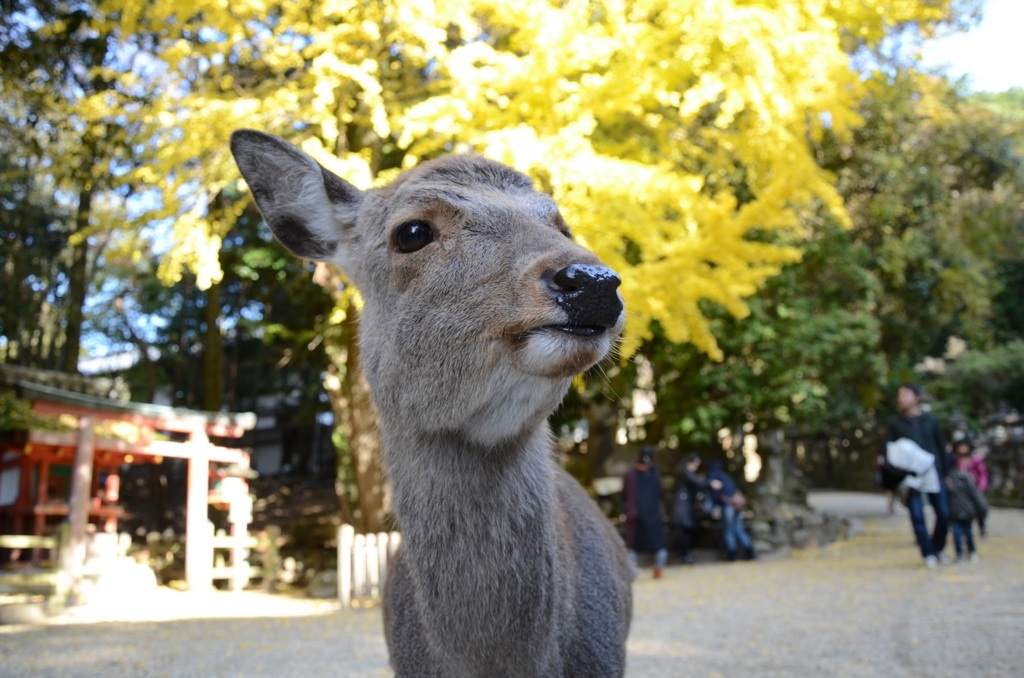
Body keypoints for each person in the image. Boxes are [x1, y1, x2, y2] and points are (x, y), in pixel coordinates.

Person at [885, 384, 951, 567]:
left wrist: (945, 473)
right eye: (900, 395)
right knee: (917, 515)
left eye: (905, 394)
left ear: (916, 397)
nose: (901, 399)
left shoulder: (931, 421)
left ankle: (937, 548)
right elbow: (889, 449)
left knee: (944, 514)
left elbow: (940, 447)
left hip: (934, 471)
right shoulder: (896, 423)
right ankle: (927, 553)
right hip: (910, 476)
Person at [622, 446, 668, 578]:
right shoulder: (655, 474)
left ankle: (631, 572)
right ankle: (658, 569)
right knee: (659, 545)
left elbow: (624, 495)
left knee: (634, 547)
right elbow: (661, 493)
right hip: (654, 515)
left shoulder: (630, 475)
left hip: (636, 515)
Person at [706, 460, 755, 561]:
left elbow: (714, 493)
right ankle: (749, 552)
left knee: (728, 530)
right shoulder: (726, 476)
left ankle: (732, 555)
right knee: (738, 529)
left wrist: (713, 507)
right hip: (736, 506)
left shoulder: (713, 475)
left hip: (727, 506)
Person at [946, 457, 987, 563]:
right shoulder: (948, 479)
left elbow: (974, 494)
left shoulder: (961, 478)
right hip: (958, 511)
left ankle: (968, 552)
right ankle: (962, 553)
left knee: (965, 533)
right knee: (960, 533)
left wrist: (981, 508)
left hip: (963, 511)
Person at [671, 453, 710, 565]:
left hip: (686, 505)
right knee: (684, 530)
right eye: (695, 463)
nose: (696, 466)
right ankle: (684, 555)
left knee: (687, 531)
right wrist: (710, 484)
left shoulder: (686, 472)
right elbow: (697, 482)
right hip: (682, 506)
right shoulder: (684, 472)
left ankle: (685, 554)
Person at [954, 439, 989, 537]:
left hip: (974, 488)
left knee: (980, 508)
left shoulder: (976, 459)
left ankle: (982, 526)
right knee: (963, 511)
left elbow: (983, 474)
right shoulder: (956, 460)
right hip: (961, 490)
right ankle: (964, 531)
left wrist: (981, 488)